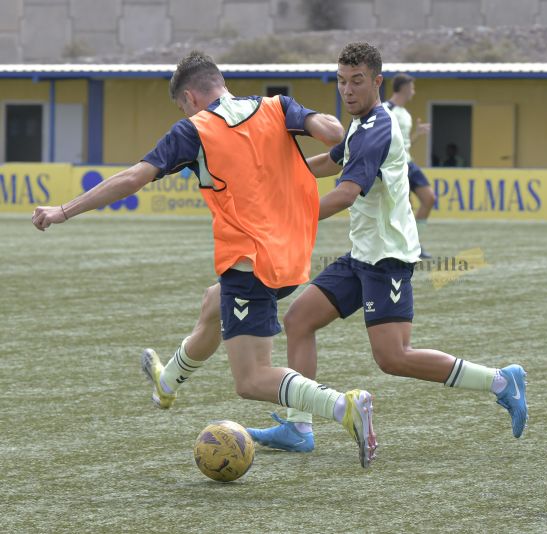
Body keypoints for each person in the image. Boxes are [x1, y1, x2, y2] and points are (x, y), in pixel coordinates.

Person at [31, 51, 377, 468]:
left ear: (191, 97)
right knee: (212, 304)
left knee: (250, 380)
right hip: (291, 253)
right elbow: (332, 131)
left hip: (250, 261)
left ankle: (344, 406)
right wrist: (335, 139)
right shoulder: (275, 106)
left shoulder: (193, 129)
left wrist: (63, 210)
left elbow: (132, 178)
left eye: (182, 105)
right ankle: (167, 382)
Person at [246, 42, 528, 452]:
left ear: (377, 81)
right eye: (342, 82)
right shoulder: (359, 125)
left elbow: (344, 195)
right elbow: (333, 158)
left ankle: (501, 380)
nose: (348, 90)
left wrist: (284, 217)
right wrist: (284, 179)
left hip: (387, 259)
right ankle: (298, 427)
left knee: (393, 358)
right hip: (361, 255)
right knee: (299, 321)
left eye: (357, 81)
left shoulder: (378, 128)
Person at [386, 73, 435, 259]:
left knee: (429, 198)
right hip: (394, 166)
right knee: (403, 208)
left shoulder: (405, 113)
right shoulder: (385, 110)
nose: (414, 91)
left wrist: (418, 134)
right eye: (412, 87)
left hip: (408, 163)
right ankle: (402, 246)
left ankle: (415, 242)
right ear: (405, 88)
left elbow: (404, 144)